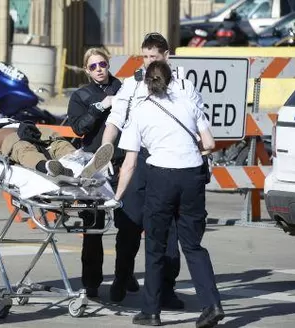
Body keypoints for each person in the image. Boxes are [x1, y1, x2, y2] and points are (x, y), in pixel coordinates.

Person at [108, 60, 223, 327]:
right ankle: (212, 304)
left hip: (161, 176)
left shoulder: (140, 110)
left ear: (146, 83)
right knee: (193, 245)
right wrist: (190, 153)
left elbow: (130, 164)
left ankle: (151, 311)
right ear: (171, 79)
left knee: (155, 246)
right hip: (192, 175)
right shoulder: (188, 103)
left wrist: (117, 196)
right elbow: (209, 143)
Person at [101, 32, 204, 307]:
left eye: (154, 57)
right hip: (138, 157)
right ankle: (122, 277)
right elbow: (116, 118)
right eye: (145, 56)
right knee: (129, 223)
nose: (148, 63)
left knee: (168, 231)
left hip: (167, 160)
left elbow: (198, 121)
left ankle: (166, 291)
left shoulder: (183, 85)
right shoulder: (132, 84)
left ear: (166, 56)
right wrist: (105, 150)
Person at [66, 48, 126, 298]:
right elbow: (79, 128)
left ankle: (124, 276)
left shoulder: (124, 88)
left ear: (108, 64)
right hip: (94, 164)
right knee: (93, 226)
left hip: (123, 162)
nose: (99, 69)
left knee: (129, 224)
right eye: (93, 66)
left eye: (102, 64)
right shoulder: (81, 95)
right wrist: (101, 106)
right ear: (86, 69)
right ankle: (91, 282)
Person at [0, 112, 114, 178]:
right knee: (22, 148)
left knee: (56, 143)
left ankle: (81, 165)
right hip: (9, 138)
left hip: (29, 130)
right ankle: (47, 167)